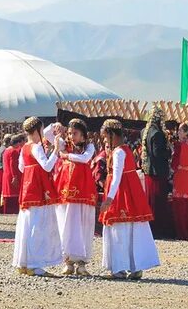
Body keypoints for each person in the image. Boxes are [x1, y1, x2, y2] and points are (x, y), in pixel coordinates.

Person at [99, 119, 159, 279]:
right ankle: (135, 267)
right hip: (129, 193)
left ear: (112, 135)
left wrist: (109, 199)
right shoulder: (124, 150)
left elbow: (117, 177)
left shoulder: (119, 152)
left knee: (120, 230)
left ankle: (119, 269)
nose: (105, 141)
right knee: (132, 229)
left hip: (121, 194)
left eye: (105, 137)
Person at [12, 117, 62, 277]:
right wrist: (56, 151)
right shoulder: (36, 147)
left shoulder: (24, 147)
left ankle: (24, 262)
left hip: (27, 187)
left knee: (27, 224)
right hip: (38, 187)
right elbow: (47, 166)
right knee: (38, 225)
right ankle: (35, 264)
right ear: (37, 131)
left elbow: (21, 168)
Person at [55, 119, 97, 275]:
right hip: (65, 190)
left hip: (84, 190)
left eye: (75, 133)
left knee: (84, 224)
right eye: (70, 133)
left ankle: (82, 263)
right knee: (66, 224)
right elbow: (46, 134)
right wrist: (56, 126)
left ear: (83, 136)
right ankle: (68, 261)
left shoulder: (89, 147)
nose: (72, 136)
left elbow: (85, 159)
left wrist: (66, 156)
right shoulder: (63, 144)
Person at [141, 105, 173, 237]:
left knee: (150, 200)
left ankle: (149, 228)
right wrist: (169, 151)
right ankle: (158, 229)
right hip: (158, 172)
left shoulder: (144, 131)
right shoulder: (157, 133)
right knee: (158, 202)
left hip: (148, 171)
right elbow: (158, 153)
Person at [0, 133, 26, 214]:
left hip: (6, 175)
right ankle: (12, 212)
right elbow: (13, 165)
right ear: (18, 143)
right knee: (13, 195)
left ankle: (7, 212)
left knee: (8, 195)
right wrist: (15, 176)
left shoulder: (6, 150)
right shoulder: (13, 151)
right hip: (12, 175)